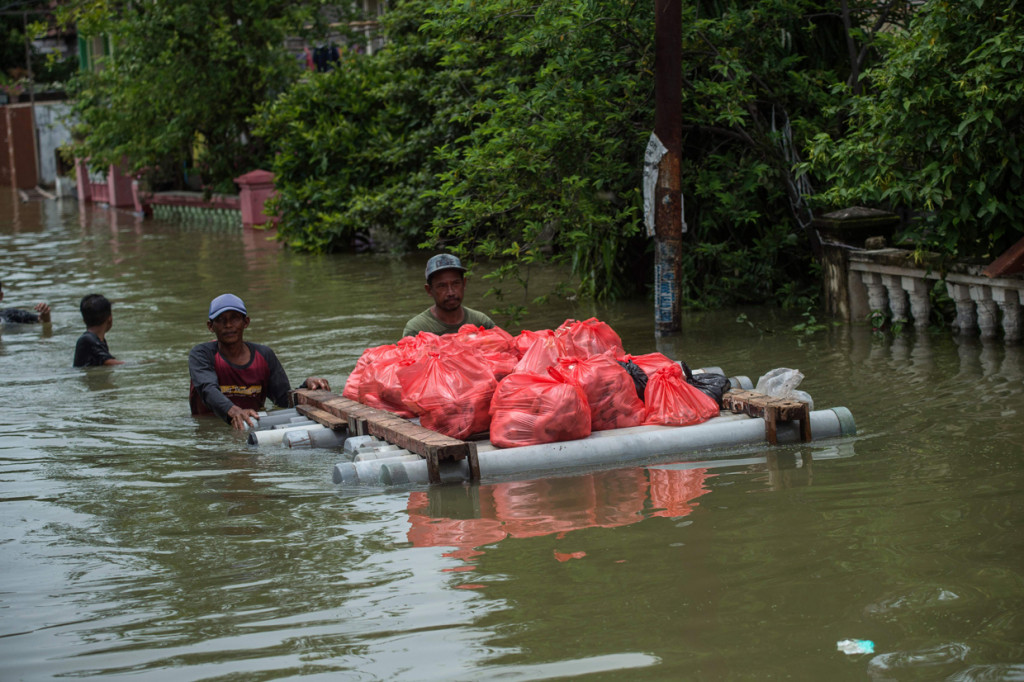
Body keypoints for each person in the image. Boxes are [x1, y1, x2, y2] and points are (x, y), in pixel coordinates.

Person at [189, 293, 331, 430]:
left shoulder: (264, 355)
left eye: (234, 318)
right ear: (210, 326)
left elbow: (284, 400)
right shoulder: (201, 355)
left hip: (250, 425)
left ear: (246, 322)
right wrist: (234, 411)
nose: (228, 325)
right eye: (220, 320)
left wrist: (306, 386)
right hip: (210, 429)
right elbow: (208, 389)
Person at [402, 254, 496, 337]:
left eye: (456, 283)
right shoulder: (417, 329)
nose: (451, 292)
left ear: (464, 284)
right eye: (442, 286)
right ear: (429, 290)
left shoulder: (481, 323)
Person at [73, 294, 125, 367]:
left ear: (84, 320)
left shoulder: (97, 340)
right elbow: (108, 362)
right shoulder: (87, 339)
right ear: (110, 318)